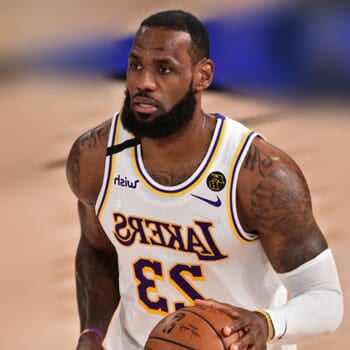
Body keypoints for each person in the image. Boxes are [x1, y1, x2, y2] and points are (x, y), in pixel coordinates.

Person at [66, 9, 343, 350]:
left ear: (203, 76)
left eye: (164, 69)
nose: (143, 82)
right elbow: (97, 250)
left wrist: (267, 323)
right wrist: (92, 333)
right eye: (136, 65)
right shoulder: (96, 157)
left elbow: (325, 298)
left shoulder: (259, 174)